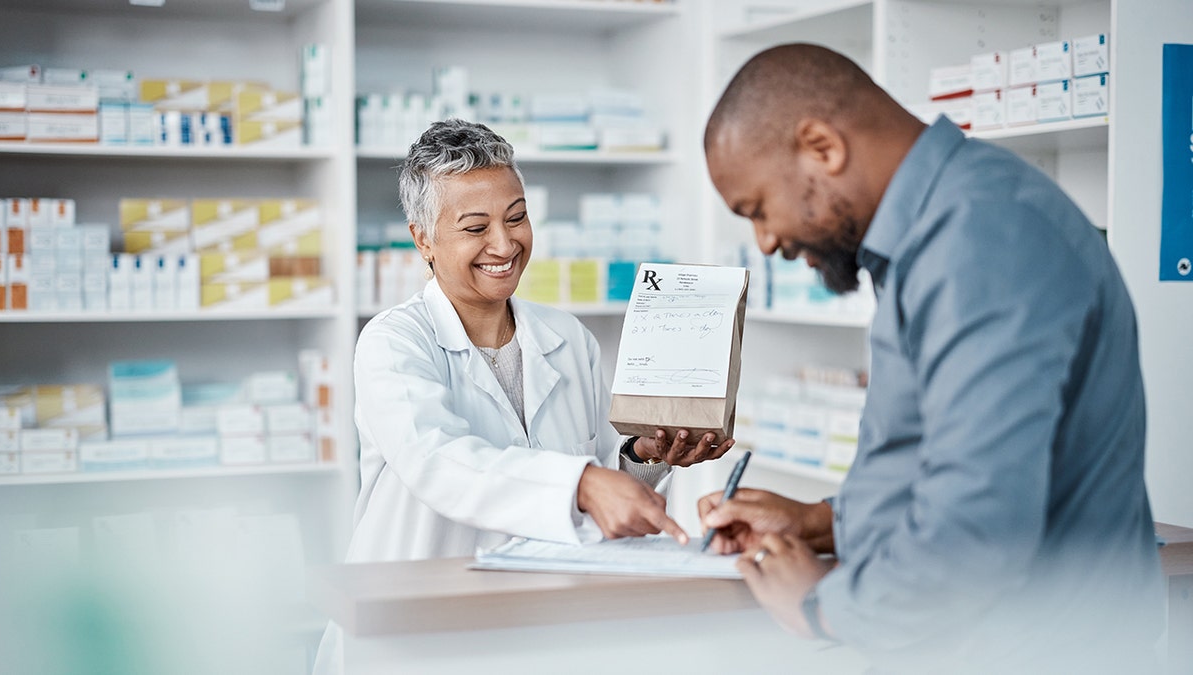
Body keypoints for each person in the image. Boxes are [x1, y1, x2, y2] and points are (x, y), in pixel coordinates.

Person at [697, 43, 1164, 674]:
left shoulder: (980, 237)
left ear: (822, 148)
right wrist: (817, 523)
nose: (768, 240)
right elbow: (944, 460)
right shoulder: (937, 232)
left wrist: (823, 607)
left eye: (757, 210)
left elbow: (978, 524)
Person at [313, 119, 733, 674]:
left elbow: (593, 483)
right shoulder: (394, 342)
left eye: (517, 218)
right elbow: (440, 462)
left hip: (537, 626)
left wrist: (642, 457)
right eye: (475, 227)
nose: (505, 244)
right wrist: (582, 483)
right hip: (417, 632)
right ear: (422, 239)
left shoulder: (567, 339)